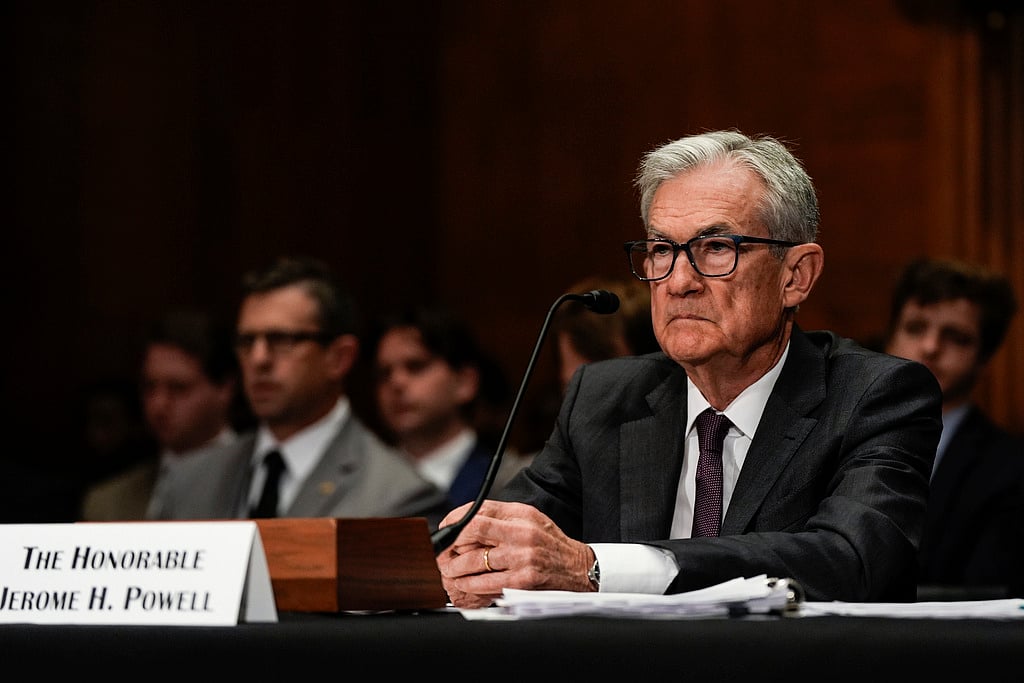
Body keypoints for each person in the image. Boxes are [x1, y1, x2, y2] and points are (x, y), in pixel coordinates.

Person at [436, 129, 942, 608]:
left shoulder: (875, 396)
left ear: (796, 275)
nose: (679, 282)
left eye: (716, 248)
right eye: (661, 250)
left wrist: (597, 568)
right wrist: (472, 555)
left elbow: (852, 561)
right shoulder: (605, 398)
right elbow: (507, 542)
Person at [150, 256, 452, 529]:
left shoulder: (400, 497)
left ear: (339, 357)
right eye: (246, 341)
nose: (258, 359)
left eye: (281, 340)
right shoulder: (188, 480)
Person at [883, 257, 1024, 598]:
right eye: (915, 328)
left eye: (957, 338)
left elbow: (990, 594)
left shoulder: (1011, 470)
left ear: (984, 359)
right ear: (889, 337)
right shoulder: (832, 435)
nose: (930, 348)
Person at [81, 309, 245, 521]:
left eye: (178, 388)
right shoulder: (109, 501)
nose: (159, 404)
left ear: (225, 388)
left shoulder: (262, 485)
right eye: (150, 387)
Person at [372, 305, 526, 509]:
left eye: (416, 366)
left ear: (465, 382)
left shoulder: (512, 481)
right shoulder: (364, 481)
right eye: (384, 373)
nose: (396, 382)